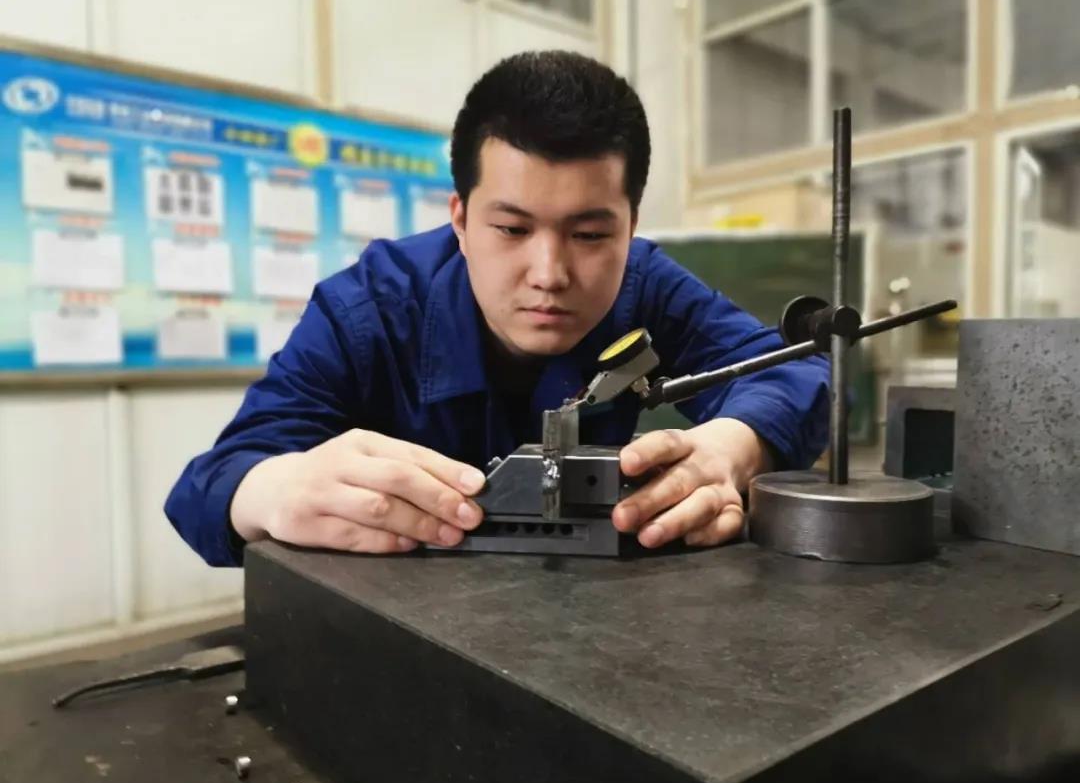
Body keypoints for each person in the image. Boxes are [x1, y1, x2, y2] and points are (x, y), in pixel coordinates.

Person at [165, 50, 830, 567]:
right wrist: (271, 489)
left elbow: (795, 371)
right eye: (512, 229)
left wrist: (731, 450)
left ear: (631, 226)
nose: (550, 275)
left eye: (590, 234)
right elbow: (210, 485)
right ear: (460, 219)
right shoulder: (367, 310)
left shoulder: (647, 285)